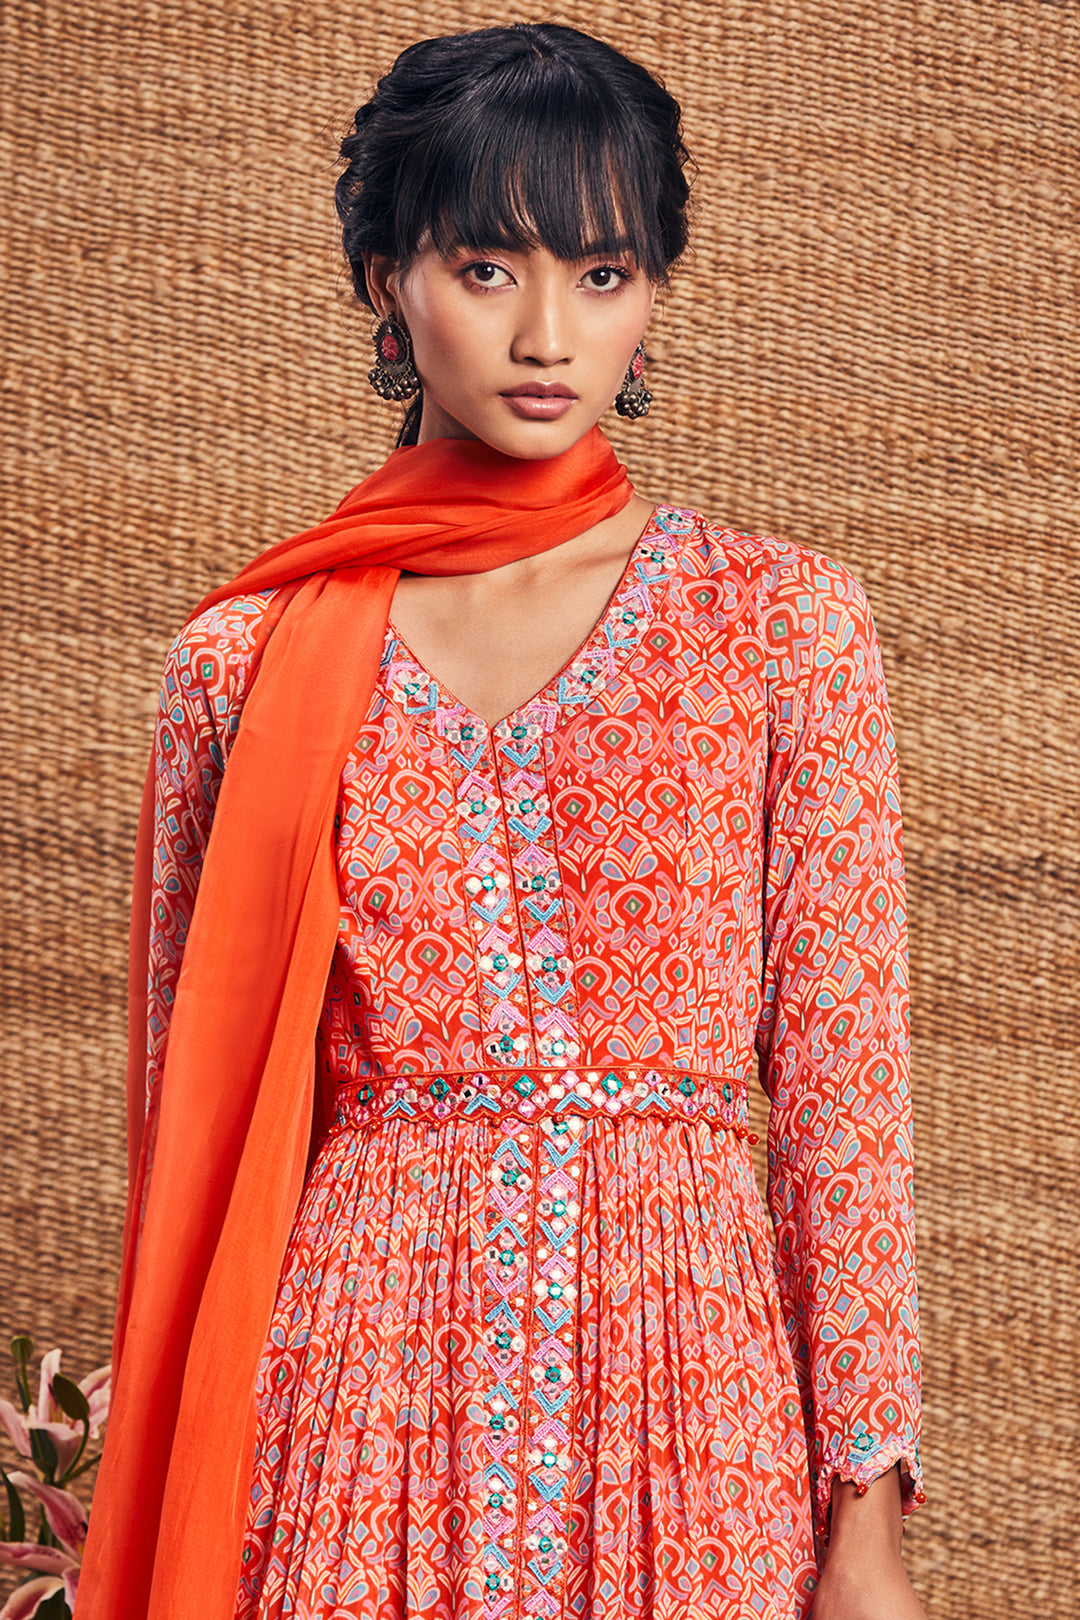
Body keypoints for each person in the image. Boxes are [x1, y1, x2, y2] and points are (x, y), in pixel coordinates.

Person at [76, 22, 926, 1620]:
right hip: (355, 1406)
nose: (548, 334)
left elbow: (844, 1096)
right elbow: (189, 1137)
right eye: (486, 268)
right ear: (385, 282)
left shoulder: (777, 623)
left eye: (602, 275)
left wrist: (865, 1510)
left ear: (653, 297)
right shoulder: (245, 663)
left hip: (688, 1401)